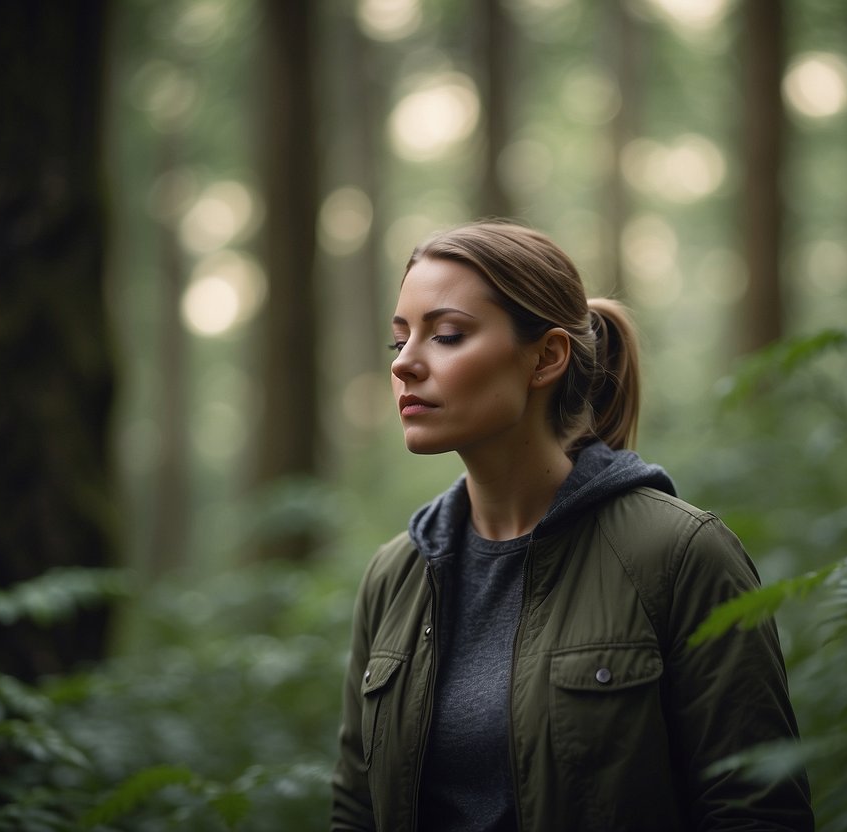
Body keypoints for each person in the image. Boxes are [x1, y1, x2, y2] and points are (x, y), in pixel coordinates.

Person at [331, 220, 813, 831]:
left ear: (546, 358)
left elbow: (758, 812)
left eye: (447, 335)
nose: (404, 365)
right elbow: (356, 812)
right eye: (399, 341)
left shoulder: (679, 554)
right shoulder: (394, 576)